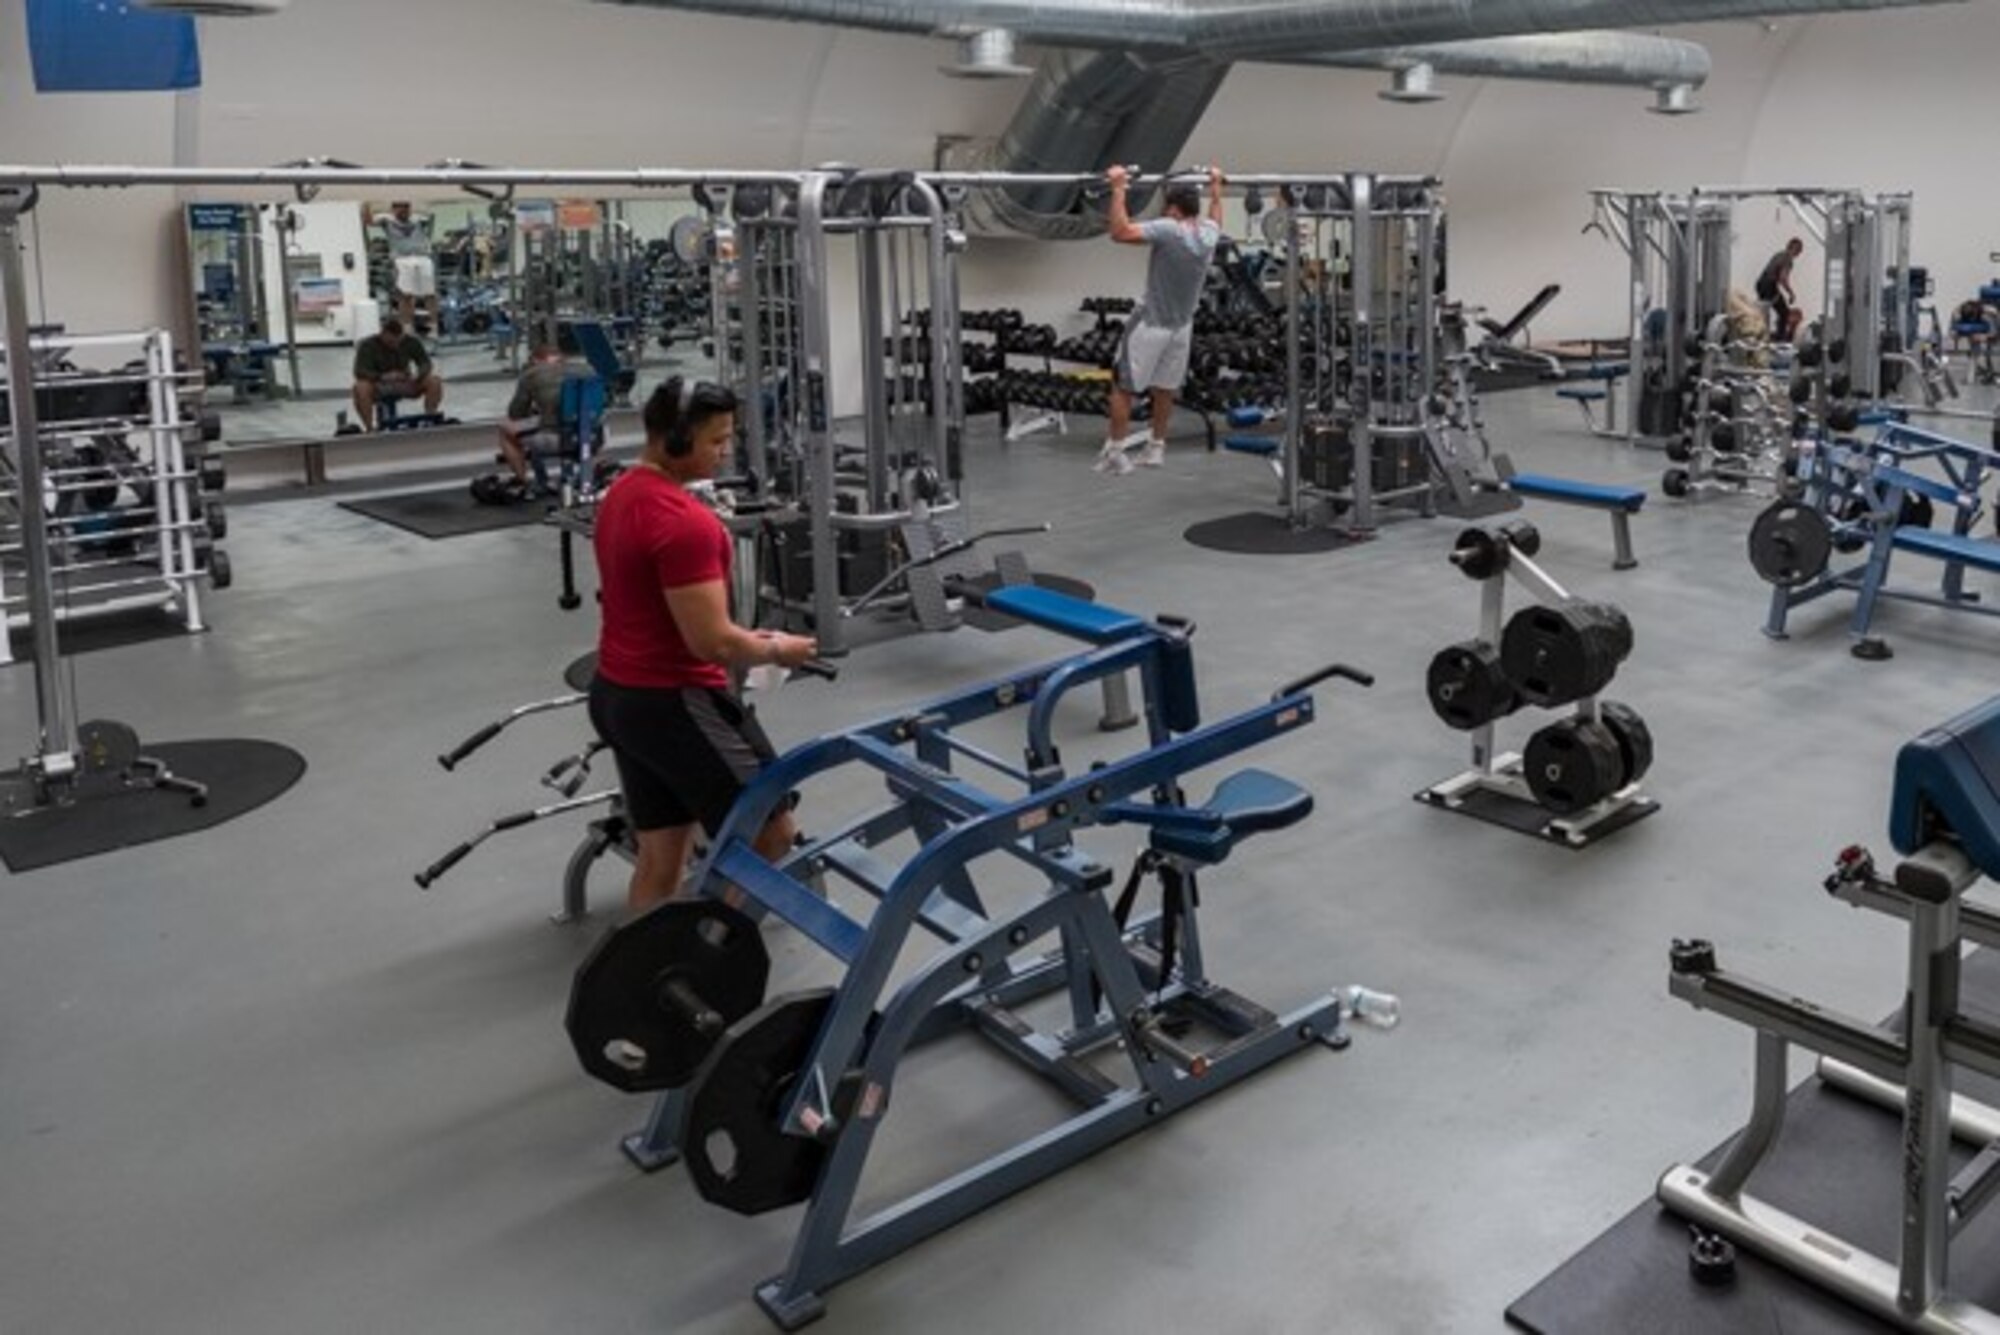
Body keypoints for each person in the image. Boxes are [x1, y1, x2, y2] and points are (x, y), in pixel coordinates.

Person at [589, 376, 819, 912]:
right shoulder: (684, 522)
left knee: (661, 857)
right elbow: (712, 642)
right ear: (675, 439)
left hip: (619, 697)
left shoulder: (622, 493)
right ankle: (708, 948)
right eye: (716, 441)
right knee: (772, 833)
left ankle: (648, 971)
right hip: (676, 703)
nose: (725, 452)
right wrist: (776, 649)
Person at [1096, 163, 1225, 476]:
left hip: (1150, 324)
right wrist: (1216, 187)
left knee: (1123, 388)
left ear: (1173, 209)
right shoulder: (1209, 234)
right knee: (1164, 388)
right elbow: (1217, 214)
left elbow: (1119, 232)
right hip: (1182, 328)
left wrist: (1117, 188)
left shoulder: (1169, 229)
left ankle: (1116, 452)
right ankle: (1156, 447)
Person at [498, 343, 575, 492]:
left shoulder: (531, 375)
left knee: (504, 428)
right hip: (594, 438)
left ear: (535, 360)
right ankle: (572, 477)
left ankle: (523, 481)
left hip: (553, 438)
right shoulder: (585, 371)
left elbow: (516, 413)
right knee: (544, 424)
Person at [350, 318, 444, 430]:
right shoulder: (368, 345)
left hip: (405, 382)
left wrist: (420, 375)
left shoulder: (410, 342)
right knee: (361, 388)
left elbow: (425, 362)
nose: (394, 345)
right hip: (378, 384)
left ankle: (430, 417)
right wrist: (382, 377)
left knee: (434, 381)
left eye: (398, 342)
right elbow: (359, 370)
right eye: (391, 342)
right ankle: (369, 427)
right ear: (383, 334)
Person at [368, 201, 438, 333]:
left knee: (430, 294)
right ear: (393, 209)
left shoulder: (417, 219)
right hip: (402, 259)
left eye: (406, 207)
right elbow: (369, 222)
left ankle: (434, 324)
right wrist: (366, 207)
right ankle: (406, 326)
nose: (404, 210)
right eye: (400, 207)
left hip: (422, 257)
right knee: (405, 295)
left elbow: (430, 216)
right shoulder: (387, 220)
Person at [1756, 237, 1805, 343]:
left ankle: (1764, 335)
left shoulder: (1778, 254)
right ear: (1795, 249)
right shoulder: (1788, 259)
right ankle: (1780, 339)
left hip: (1760, 284)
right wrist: (1791, 293)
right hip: (1769, 285)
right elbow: (1783, 278)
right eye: (1799, 251)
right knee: (1784, 312)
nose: (1799, 254)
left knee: (1765, 310)